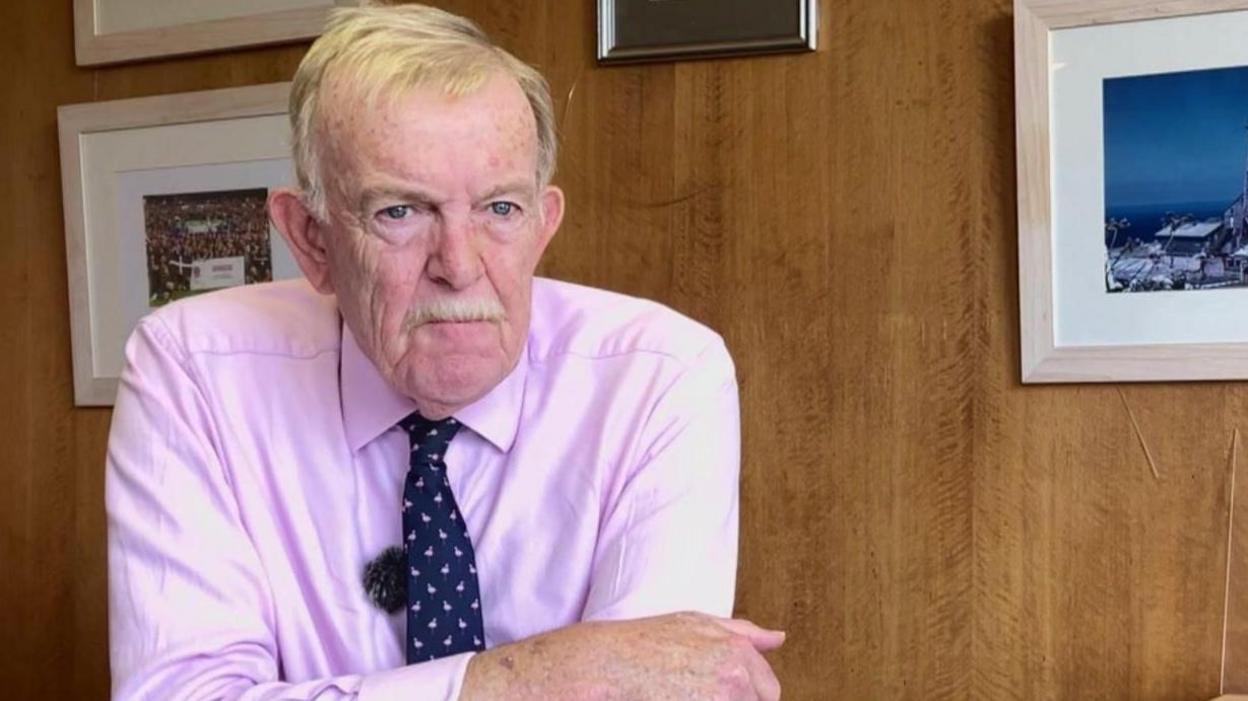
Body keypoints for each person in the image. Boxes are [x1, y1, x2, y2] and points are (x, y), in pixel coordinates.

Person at [105, 4, 783, 700]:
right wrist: (535, 679)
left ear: (542, 226)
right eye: (400, 211)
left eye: (499, 209)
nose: (459, 265)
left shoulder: (661, 377)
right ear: (312, 240)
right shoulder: (192, 369)